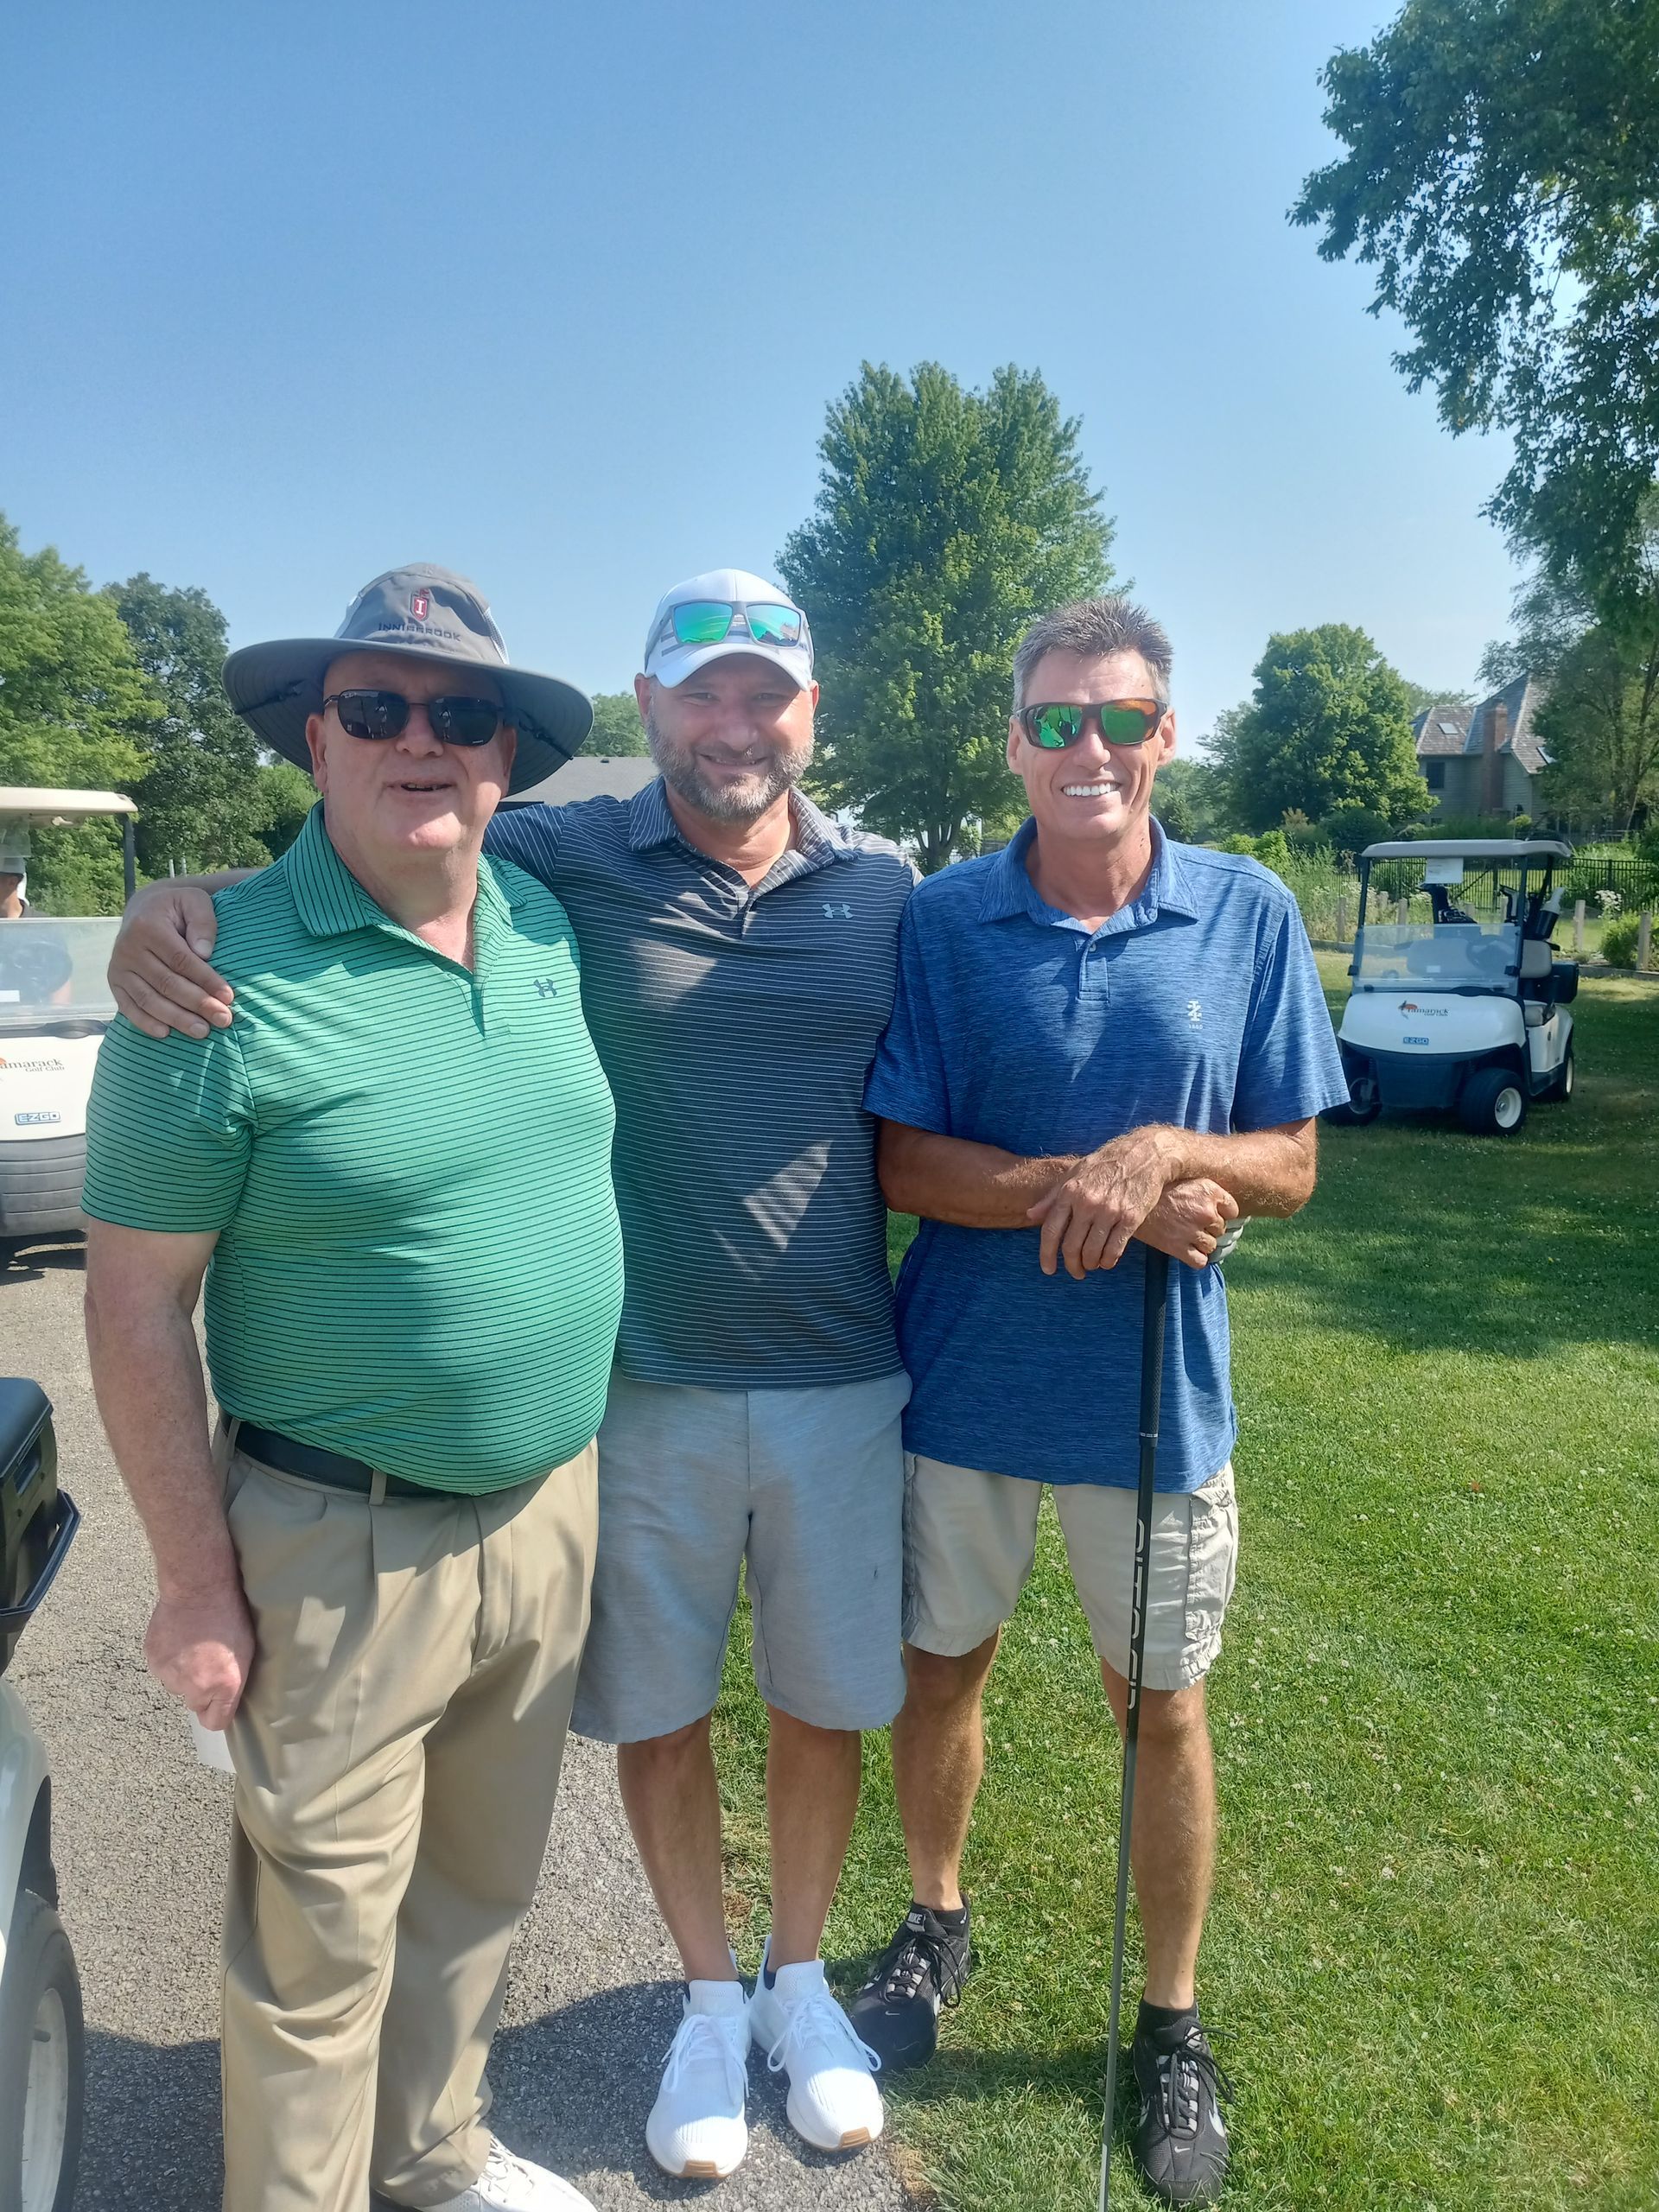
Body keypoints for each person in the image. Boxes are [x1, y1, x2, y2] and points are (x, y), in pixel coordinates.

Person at [110, 568, 1238, 2188]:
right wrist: (180, 899)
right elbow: (387, 842)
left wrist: (1166, 1162)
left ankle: (798, 1988)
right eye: (701, 691)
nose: (734, 723)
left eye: (765, 693)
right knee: (663, 1713)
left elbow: (973, 1071)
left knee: (821, 1705)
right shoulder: (569, 857)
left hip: (843, 1374)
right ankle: (709, 2004)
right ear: (648, 707)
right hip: (640, 1387)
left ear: (809, 714)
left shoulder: (889, 891)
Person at [84, 566, 624, 2212]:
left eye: (461, 713)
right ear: (315, 740)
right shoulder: (209, 978)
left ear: (507, 757)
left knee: (476, 1897)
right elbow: (134, 1303)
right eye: (376, 708)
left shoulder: (541, 920)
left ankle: (434, 2155)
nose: (420, 740)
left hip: (547, 1512)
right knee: (318, 1955)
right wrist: (194, 1583)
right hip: (340, 1546)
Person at [854, 596, 1348, 2208]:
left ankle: (1172, 2023)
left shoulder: (1248, 909)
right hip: (965, 1389)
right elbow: (903, 1161)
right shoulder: (944, 921)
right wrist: (1112, 1192)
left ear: (1165, 736)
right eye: (1057, 720)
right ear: (1014, 742)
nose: (1090, 747)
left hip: (1156, 1405)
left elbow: (1291, 1162)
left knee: (1164, 1708)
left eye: (1121, 718)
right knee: (942, 1673)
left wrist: (1173, 1152)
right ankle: (935, 1921)